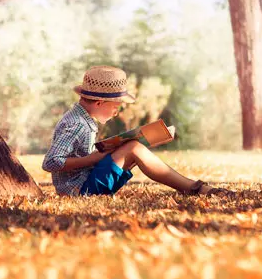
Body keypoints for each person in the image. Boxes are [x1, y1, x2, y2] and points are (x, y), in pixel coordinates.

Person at [42, 65, 234, 196]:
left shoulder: (83, 119)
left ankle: (193, 187)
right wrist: (94, 158)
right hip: (80, 189)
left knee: (133, 146)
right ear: (100, 102)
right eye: (116, 106)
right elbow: (51, 162)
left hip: (86, 181)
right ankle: (193, 188)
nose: (117, 112)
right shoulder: (76, 124)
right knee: (134, 148)